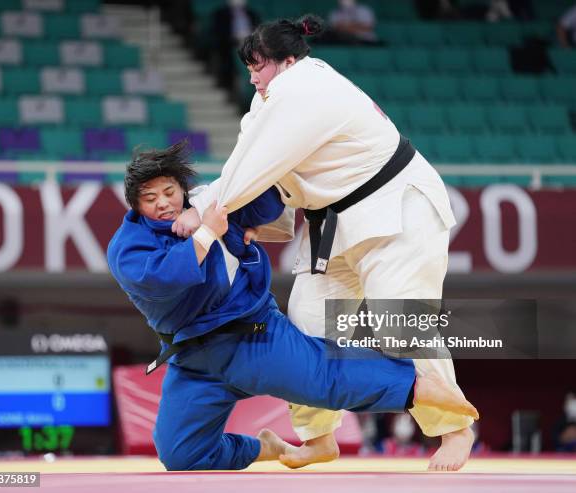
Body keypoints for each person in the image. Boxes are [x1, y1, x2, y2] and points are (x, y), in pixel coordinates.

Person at [172, 14, 478, 471]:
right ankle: (318, 438)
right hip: (332, 224)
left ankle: (456, 430)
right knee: (307, 328)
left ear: (289, 60)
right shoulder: (268, 106)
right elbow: (265, 180)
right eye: (249, 69)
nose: (253, 77)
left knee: (399, 326)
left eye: (260, 66)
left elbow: (249, 172)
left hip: (398, 211)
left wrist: (201, 211)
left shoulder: (306, 88)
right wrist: (238, 221)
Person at [107, 141, 478, 471]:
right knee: (179, 454)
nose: (162, 203)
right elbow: (166, 277)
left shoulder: (210, 204)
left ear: (182, 189)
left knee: (323, 377)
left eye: (169, 192)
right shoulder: (128, 246)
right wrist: (208, 231)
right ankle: (263, 448)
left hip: (252, 338)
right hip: (192, 360)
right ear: (135, 205)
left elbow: (268, 197)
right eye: (150, 198)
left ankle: (415, 386)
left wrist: (227, 213)